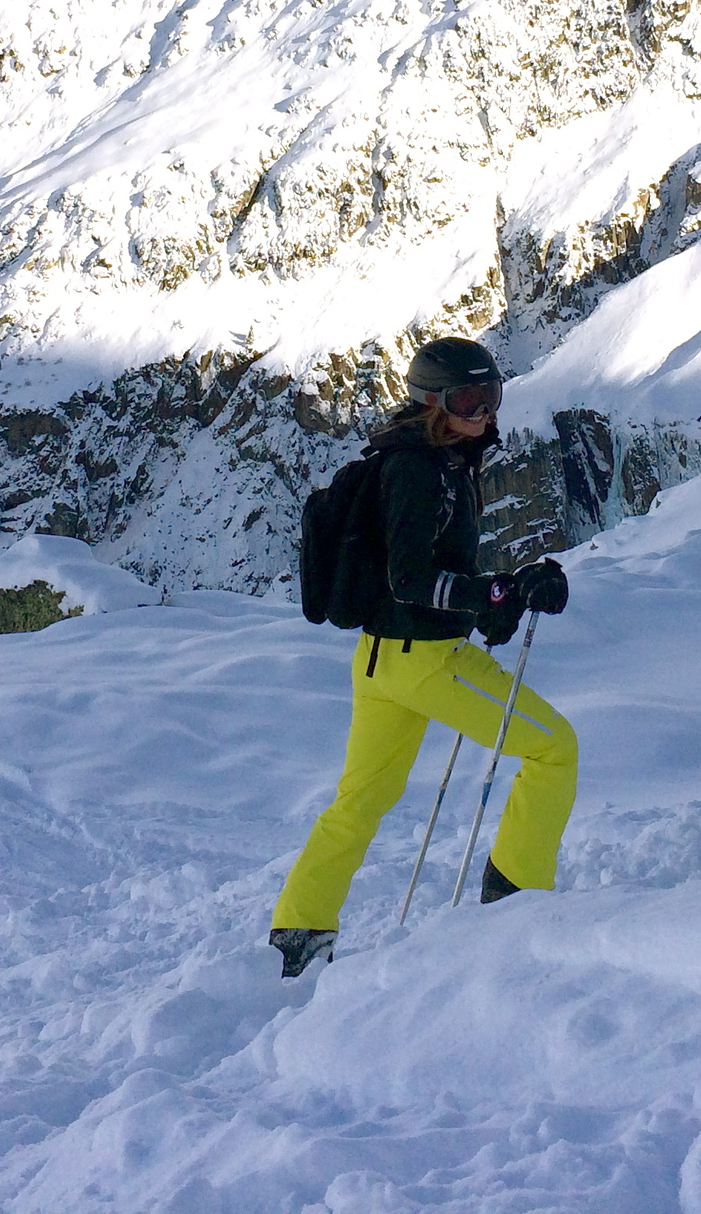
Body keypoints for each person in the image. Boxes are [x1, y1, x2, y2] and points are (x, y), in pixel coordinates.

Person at [269, 337, 574, 979]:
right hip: (425, 661)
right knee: (554, 749)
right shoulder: (417, 469)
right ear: (432, 402)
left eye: (492, 396)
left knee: (359, 802)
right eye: (470, 398)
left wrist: (492, 597)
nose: (485, 412)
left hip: (381, 662)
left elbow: (430, 575)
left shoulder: (437, 458)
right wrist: (490, 594)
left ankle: (299, 933)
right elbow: (410, 578)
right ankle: (515, 898)